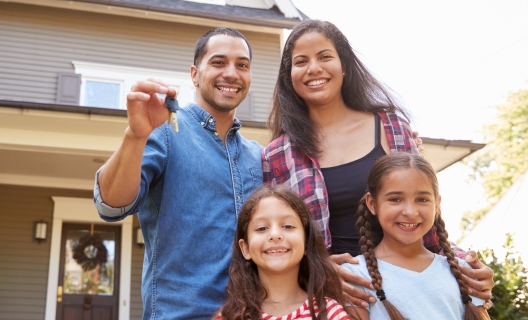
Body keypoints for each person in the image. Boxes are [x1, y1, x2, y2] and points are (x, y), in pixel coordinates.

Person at [261, 19, 494, 308]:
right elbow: (277, 237)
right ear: (289, 75)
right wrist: (317, 270)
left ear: (343, 64)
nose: (314, 68)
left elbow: (423, 211)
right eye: (301, 61)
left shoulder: (392, 126)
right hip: (331, 297)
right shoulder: (277, 155)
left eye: (325, 57)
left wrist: (465, 265)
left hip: (403, 286)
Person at [93, 28, 263, 319]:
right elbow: (109, 205)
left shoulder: (258, 156)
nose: (232, 73)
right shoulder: (165, 133)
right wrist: (135, 136)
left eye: (242, 65)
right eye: (219, 62)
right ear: (195, 75)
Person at [341, 152, 489, 320]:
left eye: (422, 199)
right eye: (396, 199)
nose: (410, 212)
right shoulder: (355, 275)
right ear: (372, 204)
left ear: (437, 204)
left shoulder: (462, 272)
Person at [217, 185, 350, 320]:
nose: (275, 235)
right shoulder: (229, 316)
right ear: (245, 248)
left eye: (288, 226)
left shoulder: (331, 313)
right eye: (262, 228)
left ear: (306, 242)